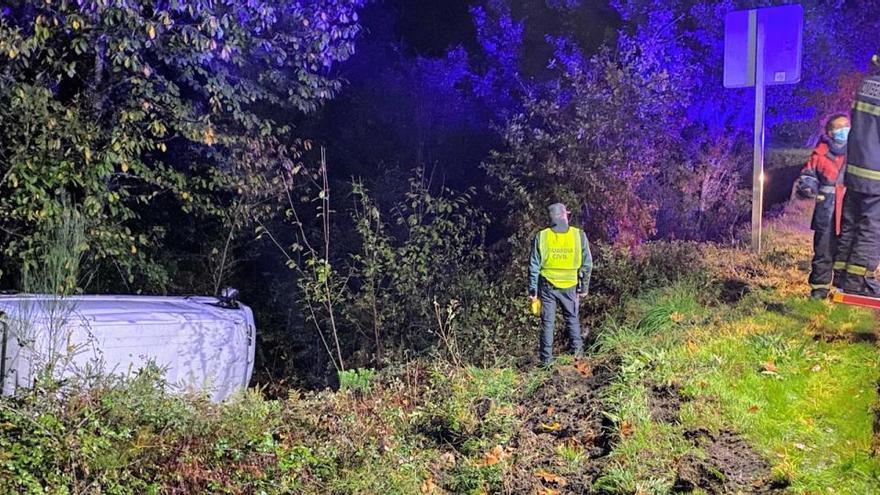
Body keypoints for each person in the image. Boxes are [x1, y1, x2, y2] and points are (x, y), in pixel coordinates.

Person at [833, 54, 880, 296]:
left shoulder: (866, 84)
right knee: (871, 227)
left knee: (851, 223)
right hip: (876, 175)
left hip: (855, 170)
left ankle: (841, 275)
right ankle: (859, 282)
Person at [528, 203, 592, 365]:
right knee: (572, 319)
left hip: (548, 286)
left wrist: (533, 290)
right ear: (565, 215)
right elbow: (587, 264)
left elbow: (534, 266)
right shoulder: (578, 235)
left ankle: (546, 362)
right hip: (570, 285)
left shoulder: (542, 236)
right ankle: (578, 357)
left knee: (548, 323)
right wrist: (583, 287)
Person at [795, 114, 850, 299]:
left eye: (846, 126)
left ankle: (846, 290)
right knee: (823, 251)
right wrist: (808, 188)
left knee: (848, 250)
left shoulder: (859, 152)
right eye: (839, 127)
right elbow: (808, 175)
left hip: (851, 210)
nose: (844, 130)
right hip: (826, 209)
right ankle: (819, 291)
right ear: (829, 132)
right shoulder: (820, 153)